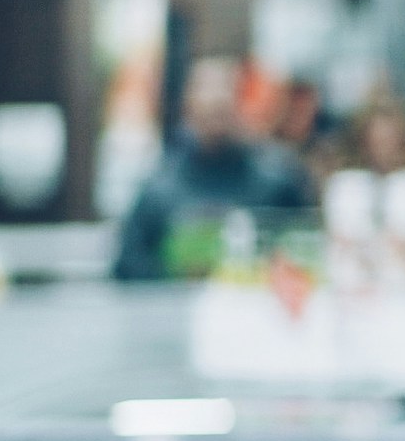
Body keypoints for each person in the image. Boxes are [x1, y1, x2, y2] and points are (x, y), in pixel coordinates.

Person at [116, 56, 308, 281]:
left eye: (223, 105)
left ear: (240, 104)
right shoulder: (157, 192)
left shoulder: (277, 183)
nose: (216, 106)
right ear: (188, 108)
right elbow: (128, 266)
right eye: (209, 106)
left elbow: (303, 254)